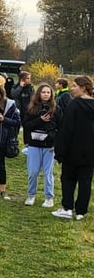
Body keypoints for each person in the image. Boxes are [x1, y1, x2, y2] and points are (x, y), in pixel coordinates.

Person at [52, 76, 94, 220]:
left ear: (83, 88)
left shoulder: (75, 105)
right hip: (90, 152)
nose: (72, 88)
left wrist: (60, 151)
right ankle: (81, 212)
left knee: (68, 179)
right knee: (85, 181)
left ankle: (67, 208)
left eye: (75, 86)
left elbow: (66, 129)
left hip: (73, 150)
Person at [22, 83, 62, 208]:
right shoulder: (31, 108)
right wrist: (40, 120)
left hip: (49, 145)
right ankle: (31, 195)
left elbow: (61, 127)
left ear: (51, 94)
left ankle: (49, 197)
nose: (46, 94)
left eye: (48, 92)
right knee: (33, 171)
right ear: (39, 93)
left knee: (47, 172)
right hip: (34, 144)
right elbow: (26, 125)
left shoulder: (56, 109)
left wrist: (55, 141)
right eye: (43, 92)